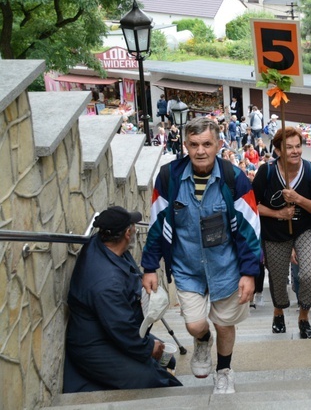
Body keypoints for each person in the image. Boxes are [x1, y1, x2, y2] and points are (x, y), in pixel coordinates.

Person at [142, 117, 262, 395]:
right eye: (194, 144)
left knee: (224, 324)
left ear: (219, 144)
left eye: (207, 144)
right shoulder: (168, 177)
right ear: (185, 145)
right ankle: (202, 340)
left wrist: (249, 272)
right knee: (196, 324)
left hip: (227, 268)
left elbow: (250, 229)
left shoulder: (235, 179)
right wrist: (149, 266)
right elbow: (156, 224)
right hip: (187, 269)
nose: (200, 151)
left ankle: (224, 371)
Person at [64, 206, 182, 393]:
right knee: (160, 382)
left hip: (113, 327)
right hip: (94, 344)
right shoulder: (106, 283)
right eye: (133, 225)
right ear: (128, 233)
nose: (135, 228)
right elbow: (121, 329)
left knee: (167, 358)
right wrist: (148, 347)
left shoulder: (103, 245)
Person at [252, 126, 311, 339]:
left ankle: (304, 316)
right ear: (277, 150)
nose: (295, 151)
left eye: (298, 146)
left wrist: (298, 199)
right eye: (289, 147)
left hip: (306, 229)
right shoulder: (266, 172)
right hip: (274, 232)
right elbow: (251, 205)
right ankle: (278, 311)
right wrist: (279, 213)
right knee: (277, 276)